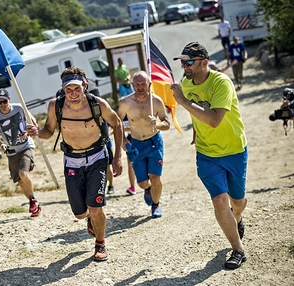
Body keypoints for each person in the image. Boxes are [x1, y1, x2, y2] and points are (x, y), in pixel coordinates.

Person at [28, 66, 123, 261]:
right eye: (68, 89)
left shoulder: (98, 104)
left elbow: (118, 123)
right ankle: (89, 218)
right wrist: (37, 132)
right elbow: (48, 130)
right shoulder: (56, 106)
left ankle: (100, 244)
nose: (72, 93)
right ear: (63, 89)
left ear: (85, 85)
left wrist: (117, 157)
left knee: (96, 207)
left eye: (76, 88)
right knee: (80, 213)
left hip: (97, 157)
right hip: (72, 161)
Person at [171, 42, 248, 269]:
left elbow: (214, 120)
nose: (184, 66)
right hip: (206, 153)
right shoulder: (186, 82)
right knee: (219, 200)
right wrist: (196, 131)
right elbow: (199, 116)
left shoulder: (221, 83)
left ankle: (239, 217)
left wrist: (183, 102)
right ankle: (237, 249)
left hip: (234, 150)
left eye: (189, 62)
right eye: (182, 62)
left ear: (204, 62)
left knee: (238, 201)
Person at [117, 71, 170, 218]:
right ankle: (147, 189)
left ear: (149, 84)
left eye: (143, 84)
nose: (140, 87)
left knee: (155, 177)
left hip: (154, 143)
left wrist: (158, 124)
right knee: (142, 183)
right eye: (137, 84)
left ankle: (156, 204)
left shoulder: (156, 101)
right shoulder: (126, 103)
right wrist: (124, 142)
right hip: (136, 144)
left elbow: (167, 123)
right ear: (132, 85)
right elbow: (117, 124)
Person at [0, 88, 42, 217]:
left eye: (4, 101)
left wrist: (27, 132)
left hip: (26, 146)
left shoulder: (19, 108)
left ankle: (34, 200)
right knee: (19, 180)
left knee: (23, 173)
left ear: (9, 100)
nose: (2, 105)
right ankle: (33, 203)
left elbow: (33, 121)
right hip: (11, 151)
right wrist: (1, 146)